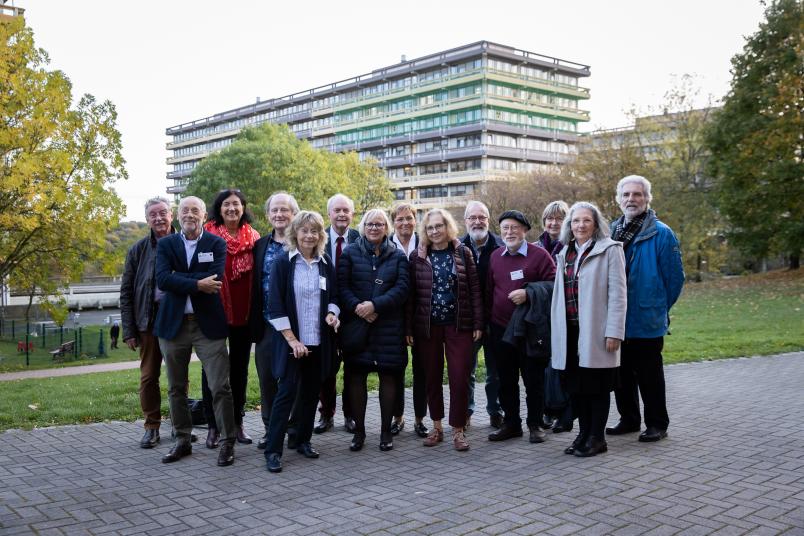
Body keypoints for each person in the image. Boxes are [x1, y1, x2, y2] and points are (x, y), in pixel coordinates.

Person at [154, 196, 236, 466]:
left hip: (207, 326)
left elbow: (216, 279)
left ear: (204, 216)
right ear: (178, 215)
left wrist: (182, 278)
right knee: (176, 388)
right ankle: (182, 440)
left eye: (195, 211)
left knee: (220, 386)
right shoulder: (166, 244)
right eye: (185, 210)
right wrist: (197, 283)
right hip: (173, 326)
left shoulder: (216, 243)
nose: (190, 215)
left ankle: (227, 442)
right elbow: (163, 280)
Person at [607, 175, 685, 442]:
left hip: (646, 318)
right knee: (622, 374)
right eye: (626, 195)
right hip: (617, 319)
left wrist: (657, 307)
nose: (632, 199)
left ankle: (657, 424)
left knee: (650, 375)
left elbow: (675, 279)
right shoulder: (611, 231)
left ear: (647, 199)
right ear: (618, 200)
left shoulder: (661, 233)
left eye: (637, 194)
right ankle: (629, 419)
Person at [264, 211, 340, 473]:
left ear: (321, 235)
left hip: (317, 340)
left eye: (315, 231)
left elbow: (334, 296)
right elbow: (274, 305)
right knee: (285, 395)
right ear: (295, 233)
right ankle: (273, 450)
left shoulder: (325, 263)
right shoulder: (283, 263)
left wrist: (332, 313)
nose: (310, 235)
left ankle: (302, 440)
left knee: (310, 394)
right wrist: (292, 340)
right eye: (304, 230)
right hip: (292, 344)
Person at [551, 202, 626, 457]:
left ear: (595, 224)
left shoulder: (611, 250)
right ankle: (583, 434)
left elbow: (618, 294)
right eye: (575, 221)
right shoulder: (565, 253)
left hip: (596, 330)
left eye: (586, 221)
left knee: (597, 387)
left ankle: (597, 438)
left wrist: (614, 331)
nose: (580, 225)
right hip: (571, 332)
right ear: (569, 226)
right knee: (577, 388)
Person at [406, 209, 482, 451]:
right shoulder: (417, 257)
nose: (435, 231)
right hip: (427, 326)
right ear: (424, 232)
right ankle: (436, 427)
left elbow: (475, 289)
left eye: (439, 226)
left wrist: (479, 323)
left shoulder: (463, 253)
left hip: (459, 324)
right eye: (430, 228)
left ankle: (458, 430)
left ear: (448, 227)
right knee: (432, 376)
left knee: (459, 377)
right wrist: (408, 327)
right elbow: (411, 297)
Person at [338, 208, 409, 452]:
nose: (374, 228)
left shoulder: (398, 256)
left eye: (379, 224)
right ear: (363, 226)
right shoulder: (349, 253)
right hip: (358, 327)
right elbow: (342, 287)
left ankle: (385, 432)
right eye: (370, 224)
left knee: (388, 377)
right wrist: (359, 308)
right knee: (356, 378)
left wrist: (376, 305)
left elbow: (402, 289)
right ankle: (359, 432)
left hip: (388, 328)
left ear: (386, 228)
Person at [486, 210, 556, 444]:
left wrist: (529, 293)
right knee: (505, 380)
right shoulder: (496, 256)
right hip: (500, 328)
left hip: (529, 329)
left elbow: (554, 285)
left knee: (533, 379)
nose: (510, 232)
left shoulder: (540, 255)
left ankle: (535, 424)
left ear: (525, 230)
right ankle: (511, 424)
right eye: (505, 228)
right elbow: (489, 290)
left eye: (515, 227)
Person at [200, 189, 260, 449]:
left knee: (239, 372)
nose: (232, 209)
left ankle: (237, 423)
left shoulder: (254, 236)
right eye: (226, 204)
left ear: (243, 207)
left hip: (244, 313)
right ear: (219, 208)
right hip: (215, 311)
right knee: (211, 372)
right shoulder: (208, 233)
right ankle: (213, 427)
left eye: (236, 204)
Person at [120, 196, 175, 448]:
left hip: (177, 321)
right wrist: (129, 330)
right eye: (153, 214)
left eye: (162, 213)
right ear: (147, 219)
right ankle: (151, 426)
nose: (158, 218)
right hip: (148, 322)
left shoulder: (183, 243)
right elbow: (126, 292)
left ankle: (180, 426)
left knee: (179, 377)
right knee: (148, 377)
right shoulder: (138, 250)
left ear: (171, 215)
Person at [249, 191, 300, 450]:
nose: (279, 215)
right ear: (268, 215)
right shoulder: (259, 245)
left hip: (296, 326)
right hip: (267, 325)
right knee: (267, 380)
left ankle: (293, 430)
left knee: (293, 380)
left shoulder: (302, 244)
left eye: (284, 210)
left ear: (293, 214)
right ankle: (271, 430)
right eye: (274, 210)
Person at [314, 193, 360, 434]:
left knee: (352, 367)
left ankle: (350, 415)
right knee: (327, 369)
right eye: (337, 210)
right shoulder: (318, 240)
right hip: (325, 314)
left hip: (353, 315)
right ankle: (326, 414)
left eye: (346, 210)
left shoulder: (359, 238)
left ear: (352, 215)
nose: (342, 214)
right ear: (329, 214)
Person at [461, 201, 505, 429]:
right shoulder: (456, 246)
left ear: (488, 220)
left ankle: (495, 410)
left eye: (482, 217)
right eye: (472, 218)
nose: (477, 222)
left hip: (495, 318)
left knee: (494, 371)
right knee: (466, 369)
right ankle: (466, 411)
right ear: (465, 221)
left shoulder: (501, 245)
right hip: (468, 321)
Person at [390, 202, 428, 438]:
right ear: (393, 222)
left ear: (416, 220)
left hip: (421, 315)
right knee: (396, 369)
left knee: (421, 370)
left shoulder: (425, 245)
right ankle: (397, 417)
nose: (405, 223)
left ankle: (419, 418)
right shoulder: (386, 244)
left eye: (409, 218)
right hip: (393, 317)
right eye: (400, 219)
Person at [535, 200, 572, 433]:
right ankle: (546, 410)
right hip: (541, 316)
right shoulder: (536, 247)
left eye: (559, 218)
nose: (553, 223)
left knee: (563, 365)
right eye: (549, 218)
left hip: (566, 314)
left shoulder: (572, 246)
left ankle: (565, 413)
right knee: (542, 367)